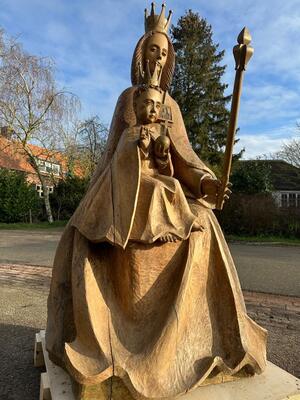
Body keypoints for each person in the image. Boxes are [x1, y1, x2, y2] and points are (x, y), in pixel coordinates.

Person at [46, 4, 267, 399]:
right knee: (82, 239)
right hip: (125, 192)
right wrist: (131, 152)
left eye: (164, 53)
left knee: (204, 224)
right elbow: (110, 154)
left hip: (165, 192)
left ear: (169, 61)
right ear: (141, 51)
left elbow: (186, 158)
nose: (157, 58)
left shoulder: (173, 108)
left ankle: (200, 341)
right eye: (152, 49)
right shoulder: (126, 99)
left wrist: (206, 183)